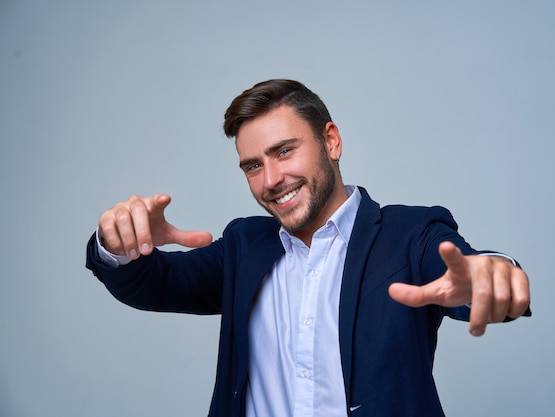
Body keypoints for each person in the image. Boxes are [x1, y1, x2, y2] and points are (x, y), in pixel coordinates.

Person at [86, 79, 531, 417]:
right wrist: (119, 241)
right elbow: (157, 285)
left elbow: (468, 272)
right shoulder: (244, 246)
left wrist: (491, 275)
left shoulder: (409, 233)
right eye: (253, 166)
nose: (270, 180)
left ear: (331, 141)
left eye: (284, 151)